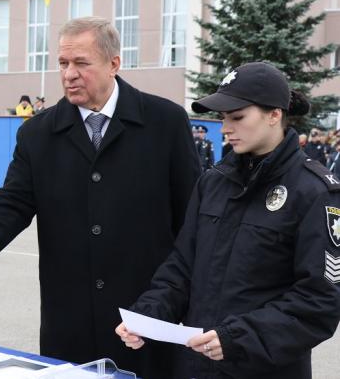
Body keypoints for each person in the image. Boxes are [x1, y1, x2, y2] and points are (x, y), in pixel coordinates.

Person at [0, 17, 200, 378]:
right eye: (63, 63)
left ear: (114, 64)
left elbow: (191, 218)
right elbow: (12, 202)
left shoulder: (165, 123)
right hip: (69, 321)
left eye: (81, 63)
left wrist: (179, 297)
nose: (69, 74)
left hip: (146, 317)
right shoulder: (38, 133)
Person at [116, 62, 340, 379]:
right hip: (196, 366)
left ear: (274, 115)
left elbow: (319, 302)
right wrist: (148, 315)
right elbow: (181, 268)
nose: (225, 128)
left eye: (237, 117)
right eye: (223, 117)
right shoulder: (213, 183)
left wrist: (237, 339)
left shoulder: (314, 191)